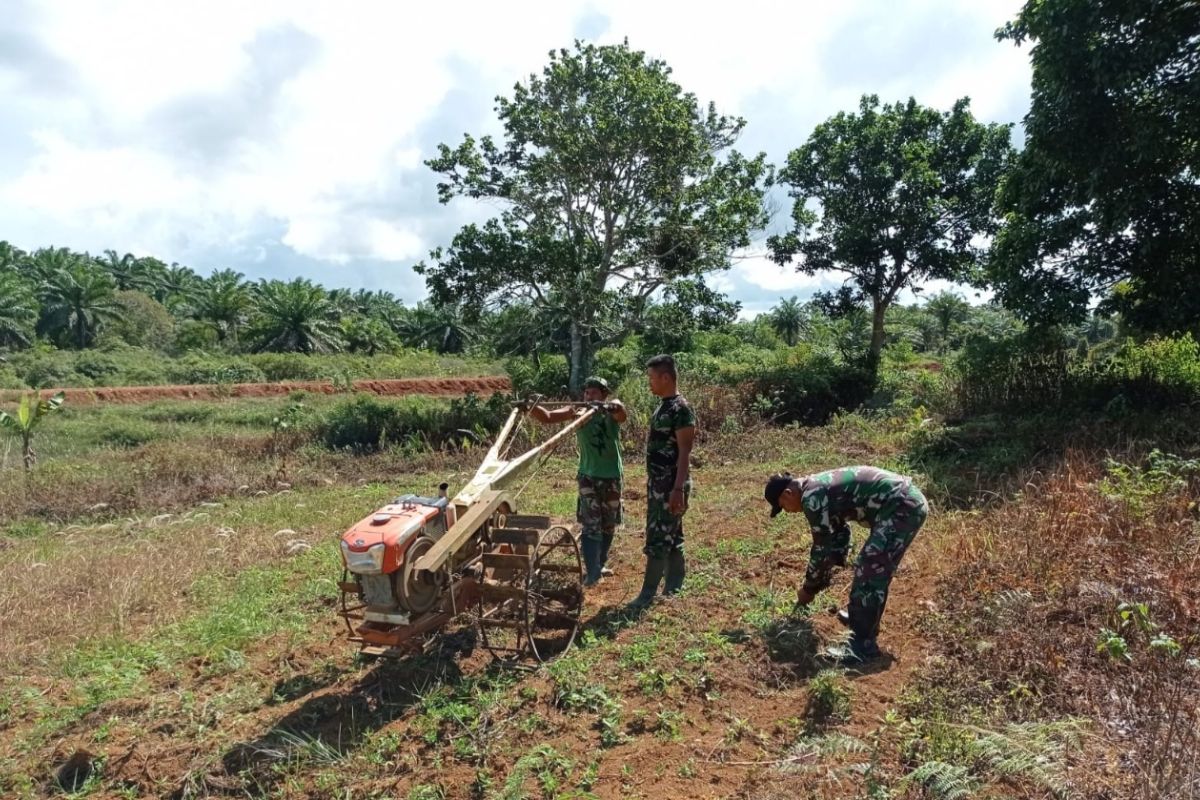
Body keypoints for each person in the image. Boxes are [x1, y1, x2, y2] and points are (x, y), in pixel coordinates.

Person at [764, 466, 928, 664]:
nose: (788, 512)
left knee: (870, 569)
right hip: (899, 503)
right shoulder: (815, 486)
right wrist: (834, 563)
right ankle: (860, 617)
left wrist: (809, 589)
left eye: (782, 507)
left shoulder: (812, 497)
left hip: (902, 507)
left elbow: (821, 549)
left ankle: (862, 645)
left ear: (788, 494)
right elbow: (840, 530)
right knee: (869, 565)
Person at [529, 377, 627, 586]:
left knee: (608, 524)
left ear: (603, 394)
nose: (589, 396)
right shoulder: (578, 412)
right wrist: (531, 407)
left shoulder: (610, 411)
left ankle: (600, 563)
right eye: (587, 393)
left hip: (611, 476)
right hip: (588, 477)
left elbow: (622, 413)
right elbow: (548, 417)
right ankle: (592, 573)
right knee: (591, 524)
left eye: (594, 393)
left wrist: (612, 406)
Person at [629, 354, 696, 609]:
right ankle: (674, 587)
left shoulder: (681, 410)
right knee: (673, 535)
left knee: (658, 539)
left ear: (666, 378)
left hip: (670, 486)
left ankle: (646, 596)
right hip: (659, 485)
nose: (650, 383)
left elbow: (684, 453)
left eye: (652, 378)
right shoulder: (663, 406)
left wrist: (677, 489)